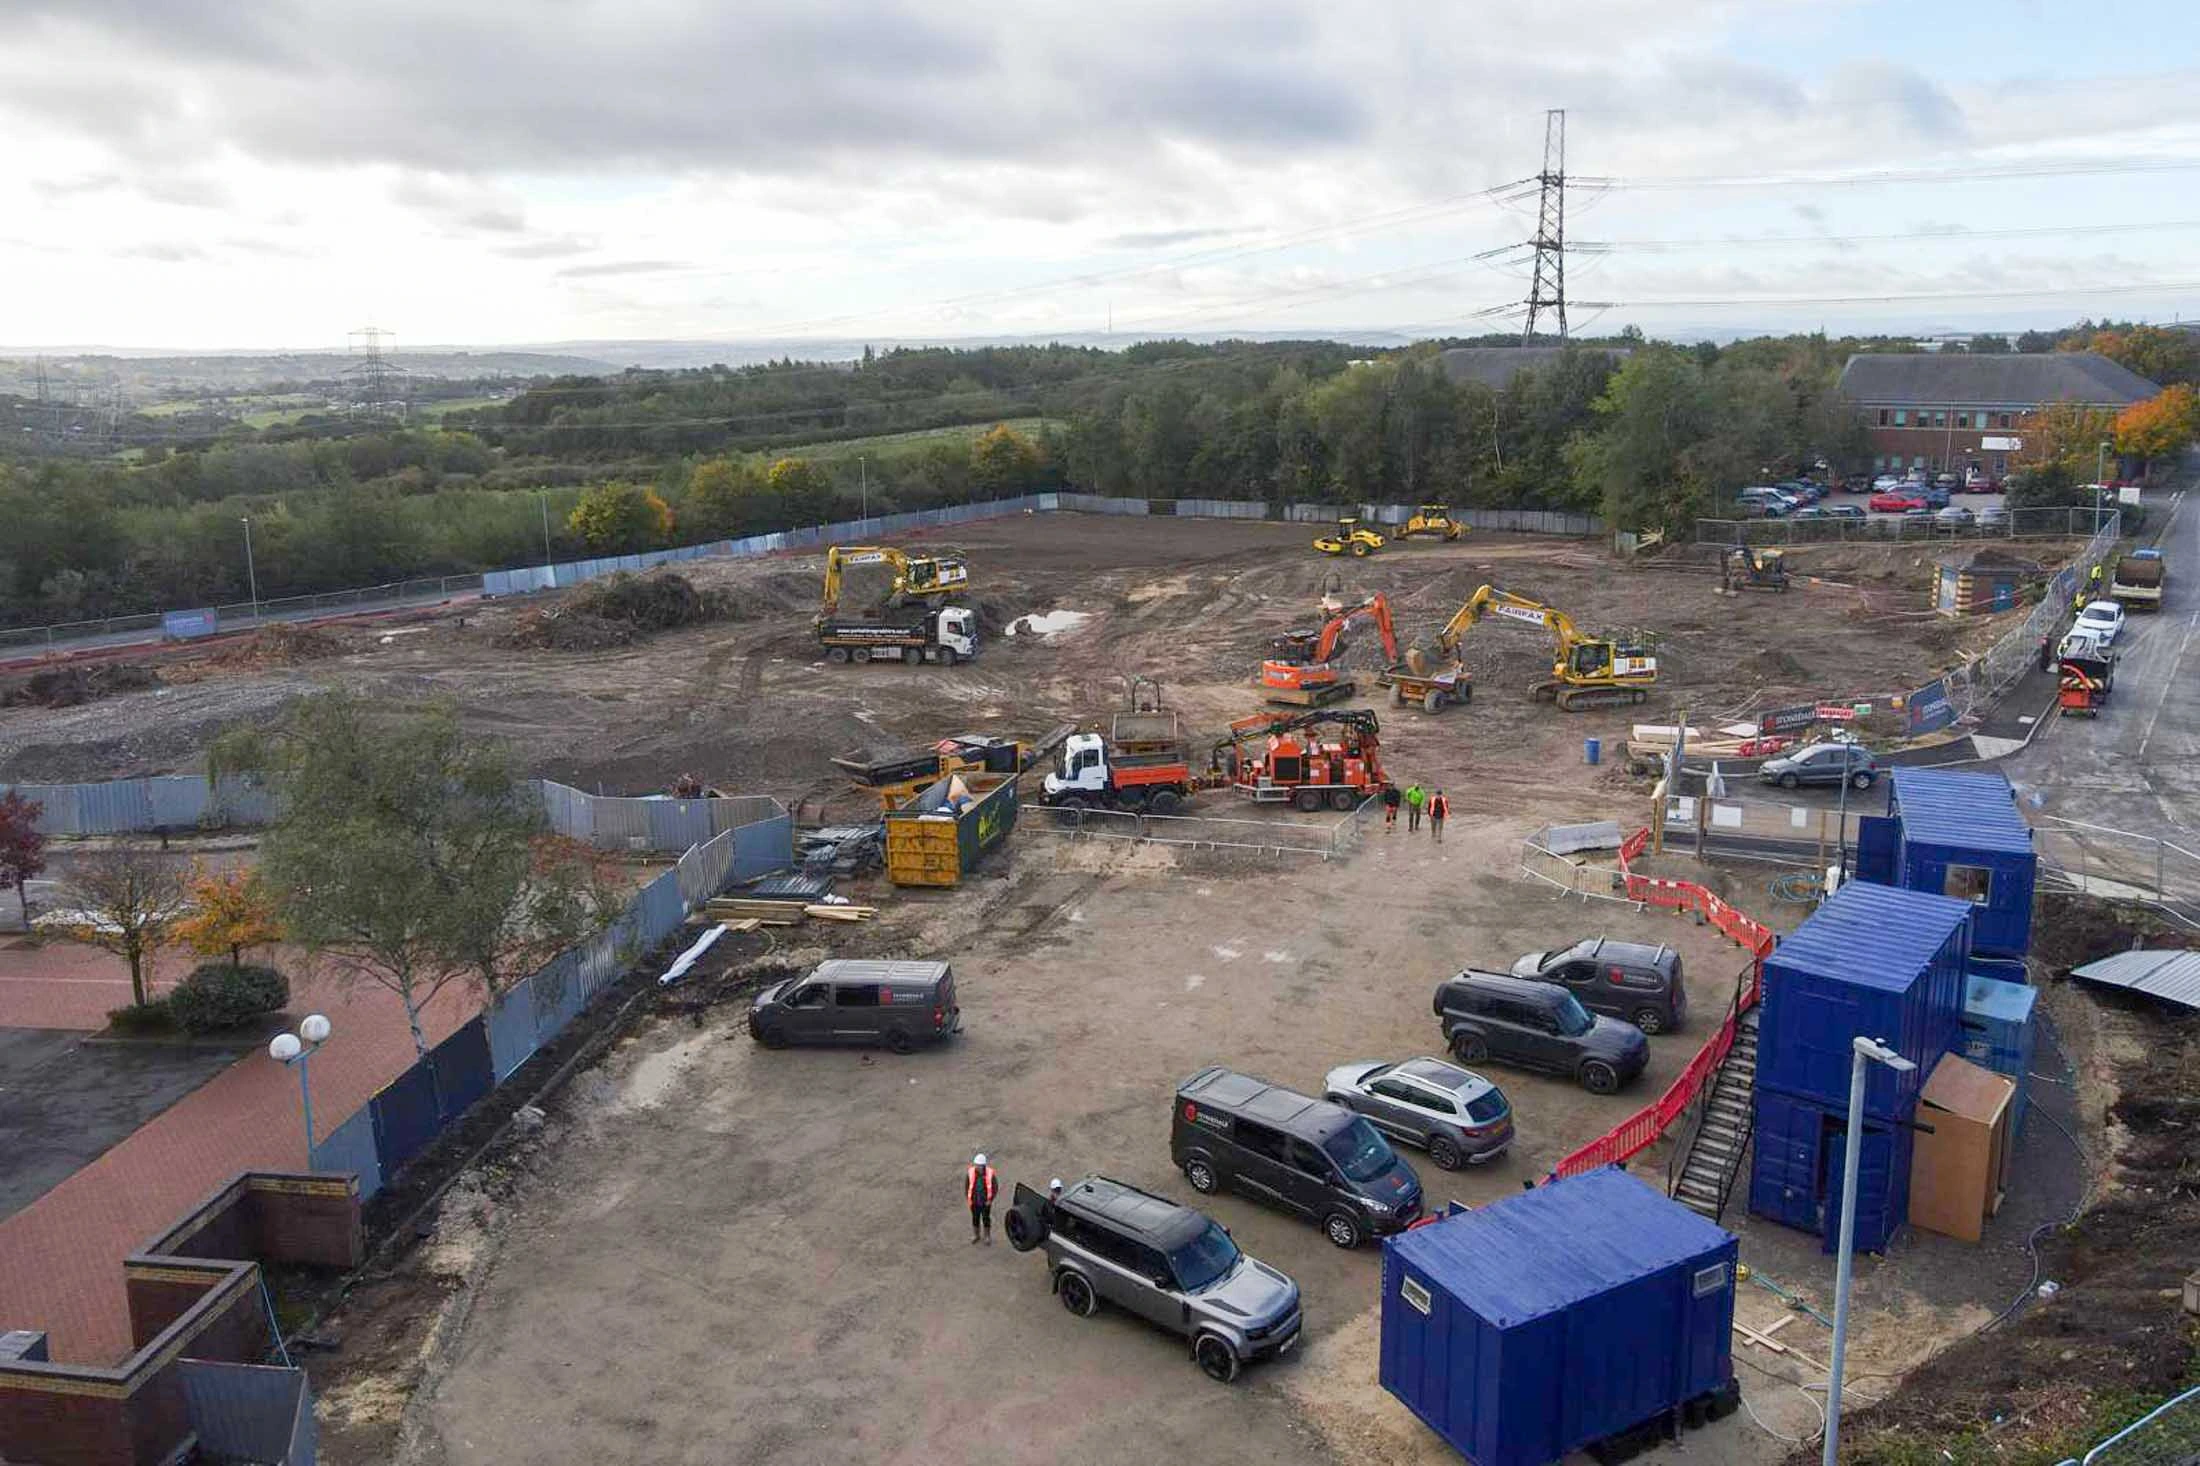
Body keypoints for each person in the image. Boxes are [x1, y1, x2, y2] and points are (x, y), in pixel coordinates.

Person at [965, 1153, 998, 1244]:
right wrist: (969, 1199)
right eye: (976, 1165)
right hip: (974, 1202)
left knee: (986, 1219)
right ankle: (976, 1235)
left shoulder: (990, 1174)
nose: (977, 1167)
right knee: (975, 1218)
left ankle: (987, 1236)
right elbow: (967, 1186)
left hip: (985, 1202)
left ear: (983, 1166)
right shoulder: (971, 1173)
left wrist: (990, 1200)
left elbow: (995, 1187)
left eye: (979, 1166)